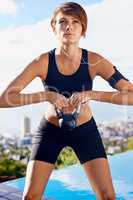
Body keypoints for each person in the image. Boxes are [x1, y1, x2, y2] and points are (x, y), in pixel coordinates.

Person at [0, 2, 133, 200]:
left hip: (85, 131)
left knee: (107, 196)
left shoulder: (95, 61)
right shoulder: (42, 62)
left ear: (83, 30)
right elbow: (5, 99)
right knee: (30, 197)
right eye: (62, 22)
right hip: (50, 131)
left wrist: (92, 94)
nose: (68, 26)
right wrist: (46, 96)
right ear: (54, 27)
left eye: (75, 22)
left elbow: (130, 94)